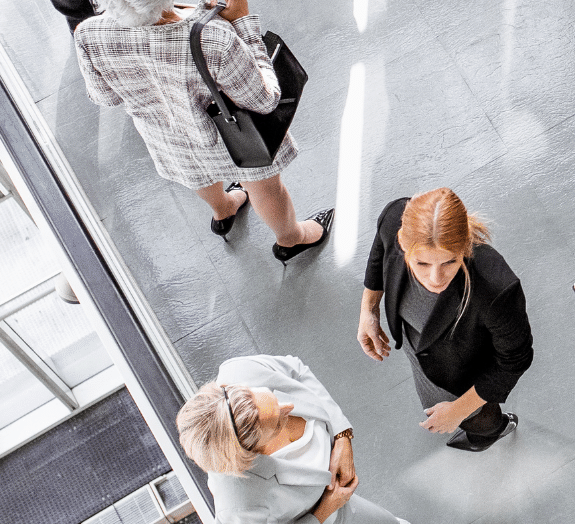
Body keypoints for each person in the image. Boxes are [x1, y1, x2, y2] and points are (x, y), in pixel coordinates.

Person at [75, 0, 331, 262]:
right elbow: (266, 99)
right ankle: (291, 237)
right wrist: (242, 23)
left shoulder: (88, 34)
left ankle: (224, 209)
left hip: (168, 138)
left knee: (197, 175)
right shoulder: (214, 39)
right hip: (233, 139)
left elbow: (106, 98)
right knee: (264, 186)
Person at [356, 188, 531, 453]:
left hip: (464, 372)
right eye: (422, 264)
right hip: (424, 352)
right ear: (402, 243)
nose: (436, 279)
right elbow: (379, 251)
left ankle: (491, 430)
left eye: (450, 261)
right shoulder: (394, 218)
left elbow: (516, 359)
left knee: (478, 418)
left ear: (465, 246)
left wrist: (458, 411)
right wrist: (368, 309)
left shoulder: (495, 288)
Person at [176, 356, 408, 524]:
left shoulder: (240, 370)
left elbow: (297, 370)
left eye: (270, 397)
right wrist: (323, 512)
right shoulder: (239, 504)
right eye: (277, 423)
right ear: (252, 452)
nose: (289, 407)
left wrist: (342, 435)